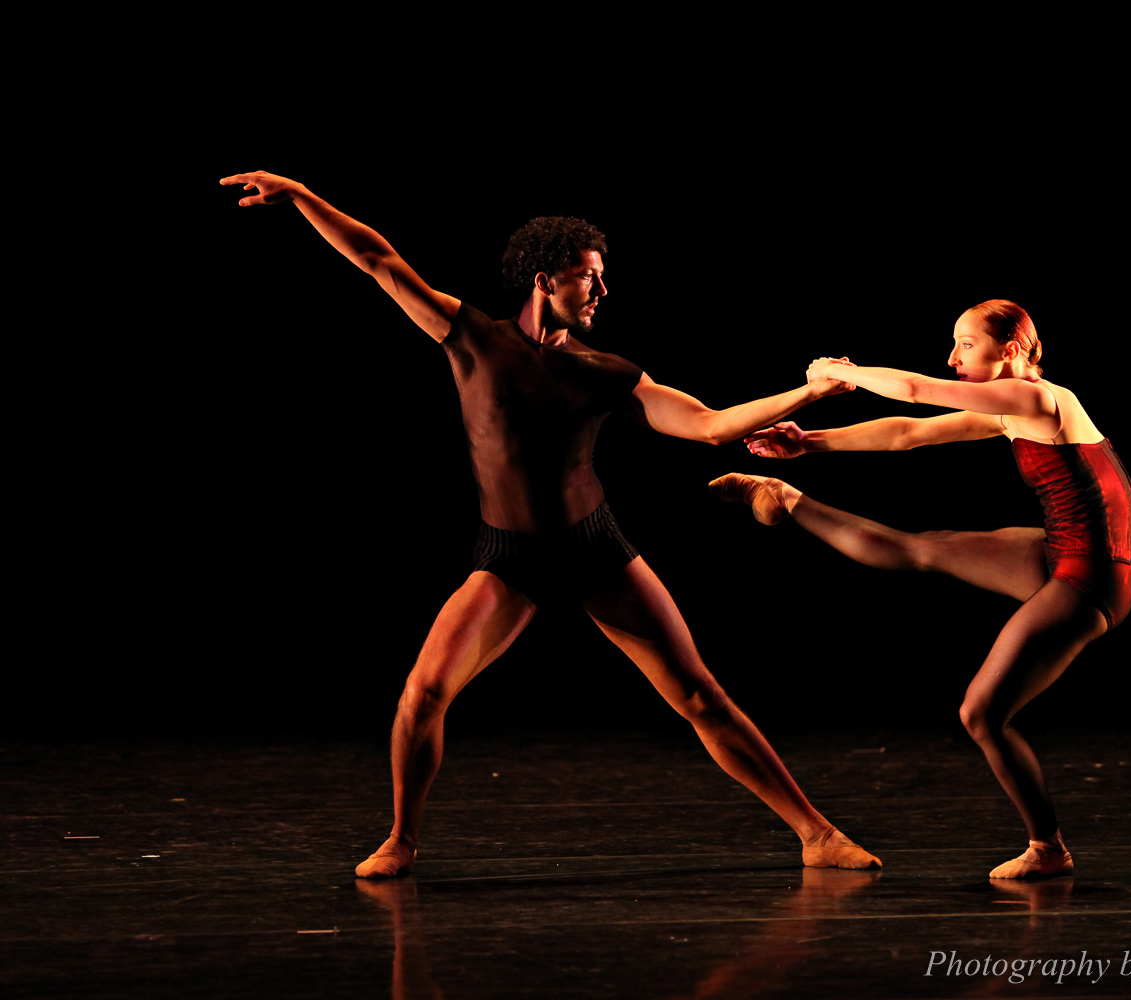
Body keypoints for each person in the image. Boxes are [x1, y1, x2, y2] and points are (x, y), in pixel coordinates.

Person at [218, 170, 881, 878]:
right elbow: (381, 260)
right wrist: (302, 197)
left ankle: (816, 834)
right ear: (546, 280)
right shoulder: (471, 336)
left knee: (699, 694)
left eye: (601, 278)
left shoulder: (607, 372)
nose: (602, 291)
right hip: (510, 557)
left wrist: (809, 391)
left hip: (595, 546)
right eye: (589, 278)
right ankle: (402, 840)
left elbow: (710, 426)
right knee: (422, 693)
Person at [710, 300, 1131, 879]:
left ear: (1011, 349)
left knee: (981, 713)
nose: (953, 357)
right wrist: (808, 443)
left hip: (1092, 576)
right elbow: (906, 433)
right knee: (917, 548)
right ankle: (782, 496)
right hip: (1060, 553)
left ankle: (1048, 847)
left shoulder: (1041, 399)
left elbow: (916, 391)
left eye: (966, 344)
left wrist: (843, 372)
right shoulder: (1012, 410)